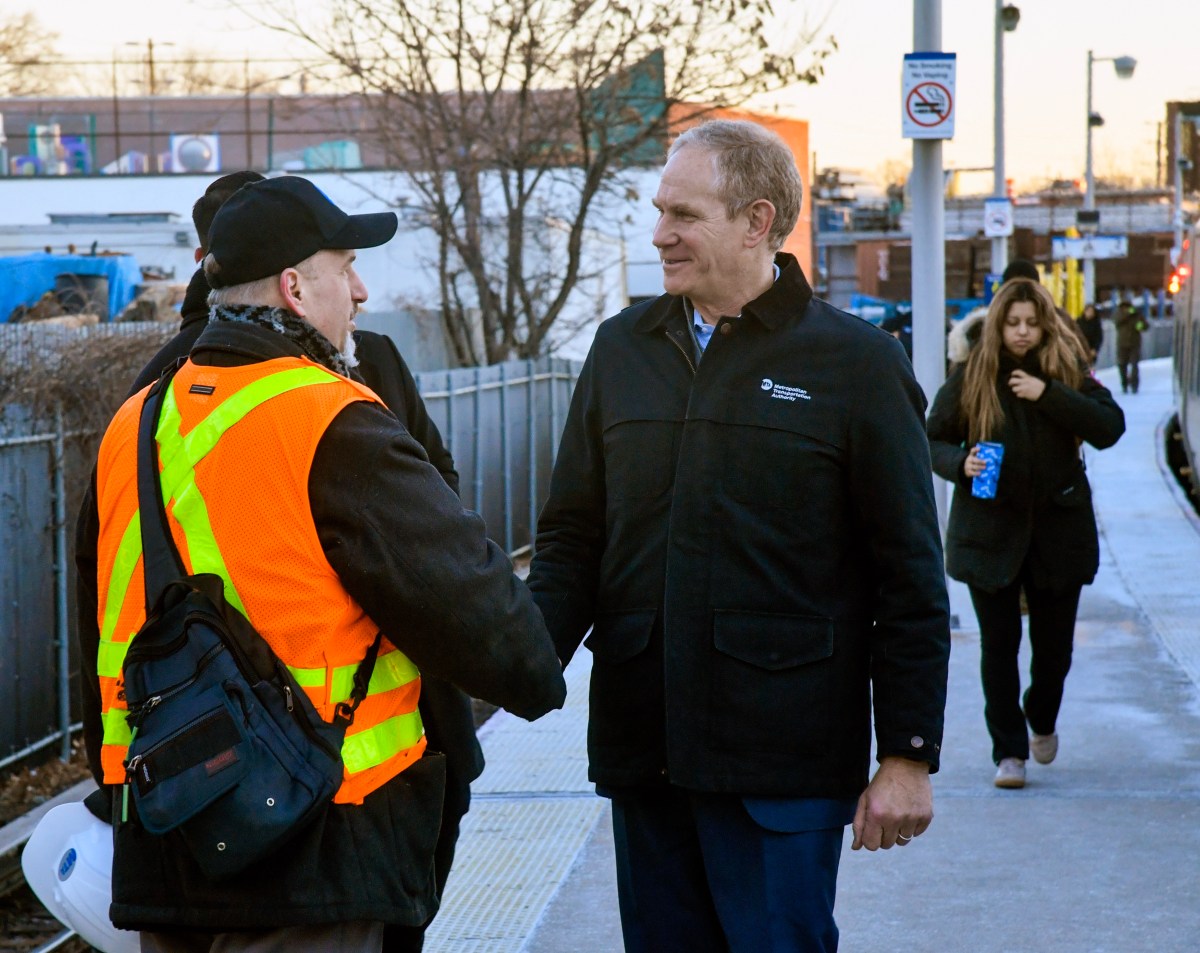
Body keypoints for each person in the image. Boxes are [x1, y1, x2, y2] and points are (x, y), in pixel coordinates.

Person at [81, 175, 567, 951]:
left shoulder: (134, 421)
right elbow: (467, 594)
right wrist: (538, 673)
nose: (362, 290)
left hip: (168, 821)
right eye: (347, 267)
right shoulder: (330, 417)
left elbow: (100, 621)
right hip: (312, 830)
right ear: (296, 288)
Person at [527, 120, 951, 952]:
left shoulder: (855, 363)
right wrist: (509, 662)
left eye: (683, 215)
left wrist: (908, 753)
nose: (660, 235)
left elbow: (908, 573)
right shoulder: (620, 351)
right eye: (659, 212)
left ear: (757, 222)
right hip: (644, 750)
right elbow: (572, 538)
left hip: (783, 760)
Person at [927, 278, 1125, 790]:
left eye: (1031, 323)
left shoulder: (1067, 368)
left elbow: (1109, 426)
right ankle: (1008, 753)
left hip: (1057, 533)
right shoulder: (974, 373)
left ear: (1044, 325)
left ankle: (1042, 715)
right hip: (990, 532)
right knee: (999, 647)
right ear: (997, 325)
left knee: (1054, 651)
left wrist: (1049, 394)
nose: (1021, 333)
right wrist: (959, 462)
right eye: (1012, 323)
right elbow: (931, 437)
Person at [1113, 296, 1145, 393]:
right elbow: (1117, 321)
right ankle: (1124, 384)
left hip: (1134, 344)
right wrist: (1127, 314)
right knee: (1122, 365)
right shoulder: (1119, 314)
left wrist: (1140, 325)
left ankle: (1134, 385)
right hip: (1122, 344)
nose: (1127, 309)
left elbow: (1145, 325)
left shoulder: (1137, 315)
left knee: (1134, 365)